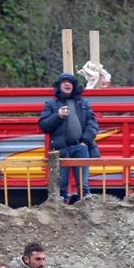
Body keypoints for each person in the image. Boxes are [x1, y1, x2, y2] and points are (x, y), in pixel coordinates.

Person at [39, 73, 98, 203]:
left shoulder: (83, 104)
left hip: (80, 148)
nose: (67, 84)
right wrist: (58, 116)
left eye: (70, 82)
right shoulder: (51, 105)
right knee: (61, 186)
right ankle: (60, 215)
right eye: (64, 82)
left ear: (74, 86)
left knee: (83, 186)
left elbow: (93, 124)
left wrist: (85, 142)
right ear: (59, 86)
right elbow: (43, 125)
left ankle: (87, 213)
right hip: (60, 150)